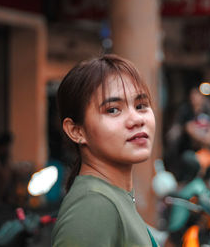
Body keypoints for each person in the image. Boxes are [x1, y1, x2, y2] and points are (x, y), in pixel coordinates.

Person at [52, 54, 158, 246]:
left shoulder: (111, 197)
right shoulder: (93, 206)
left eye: (141, 106)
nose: (137, 119)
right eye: (113, 110)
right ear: (76, 131)